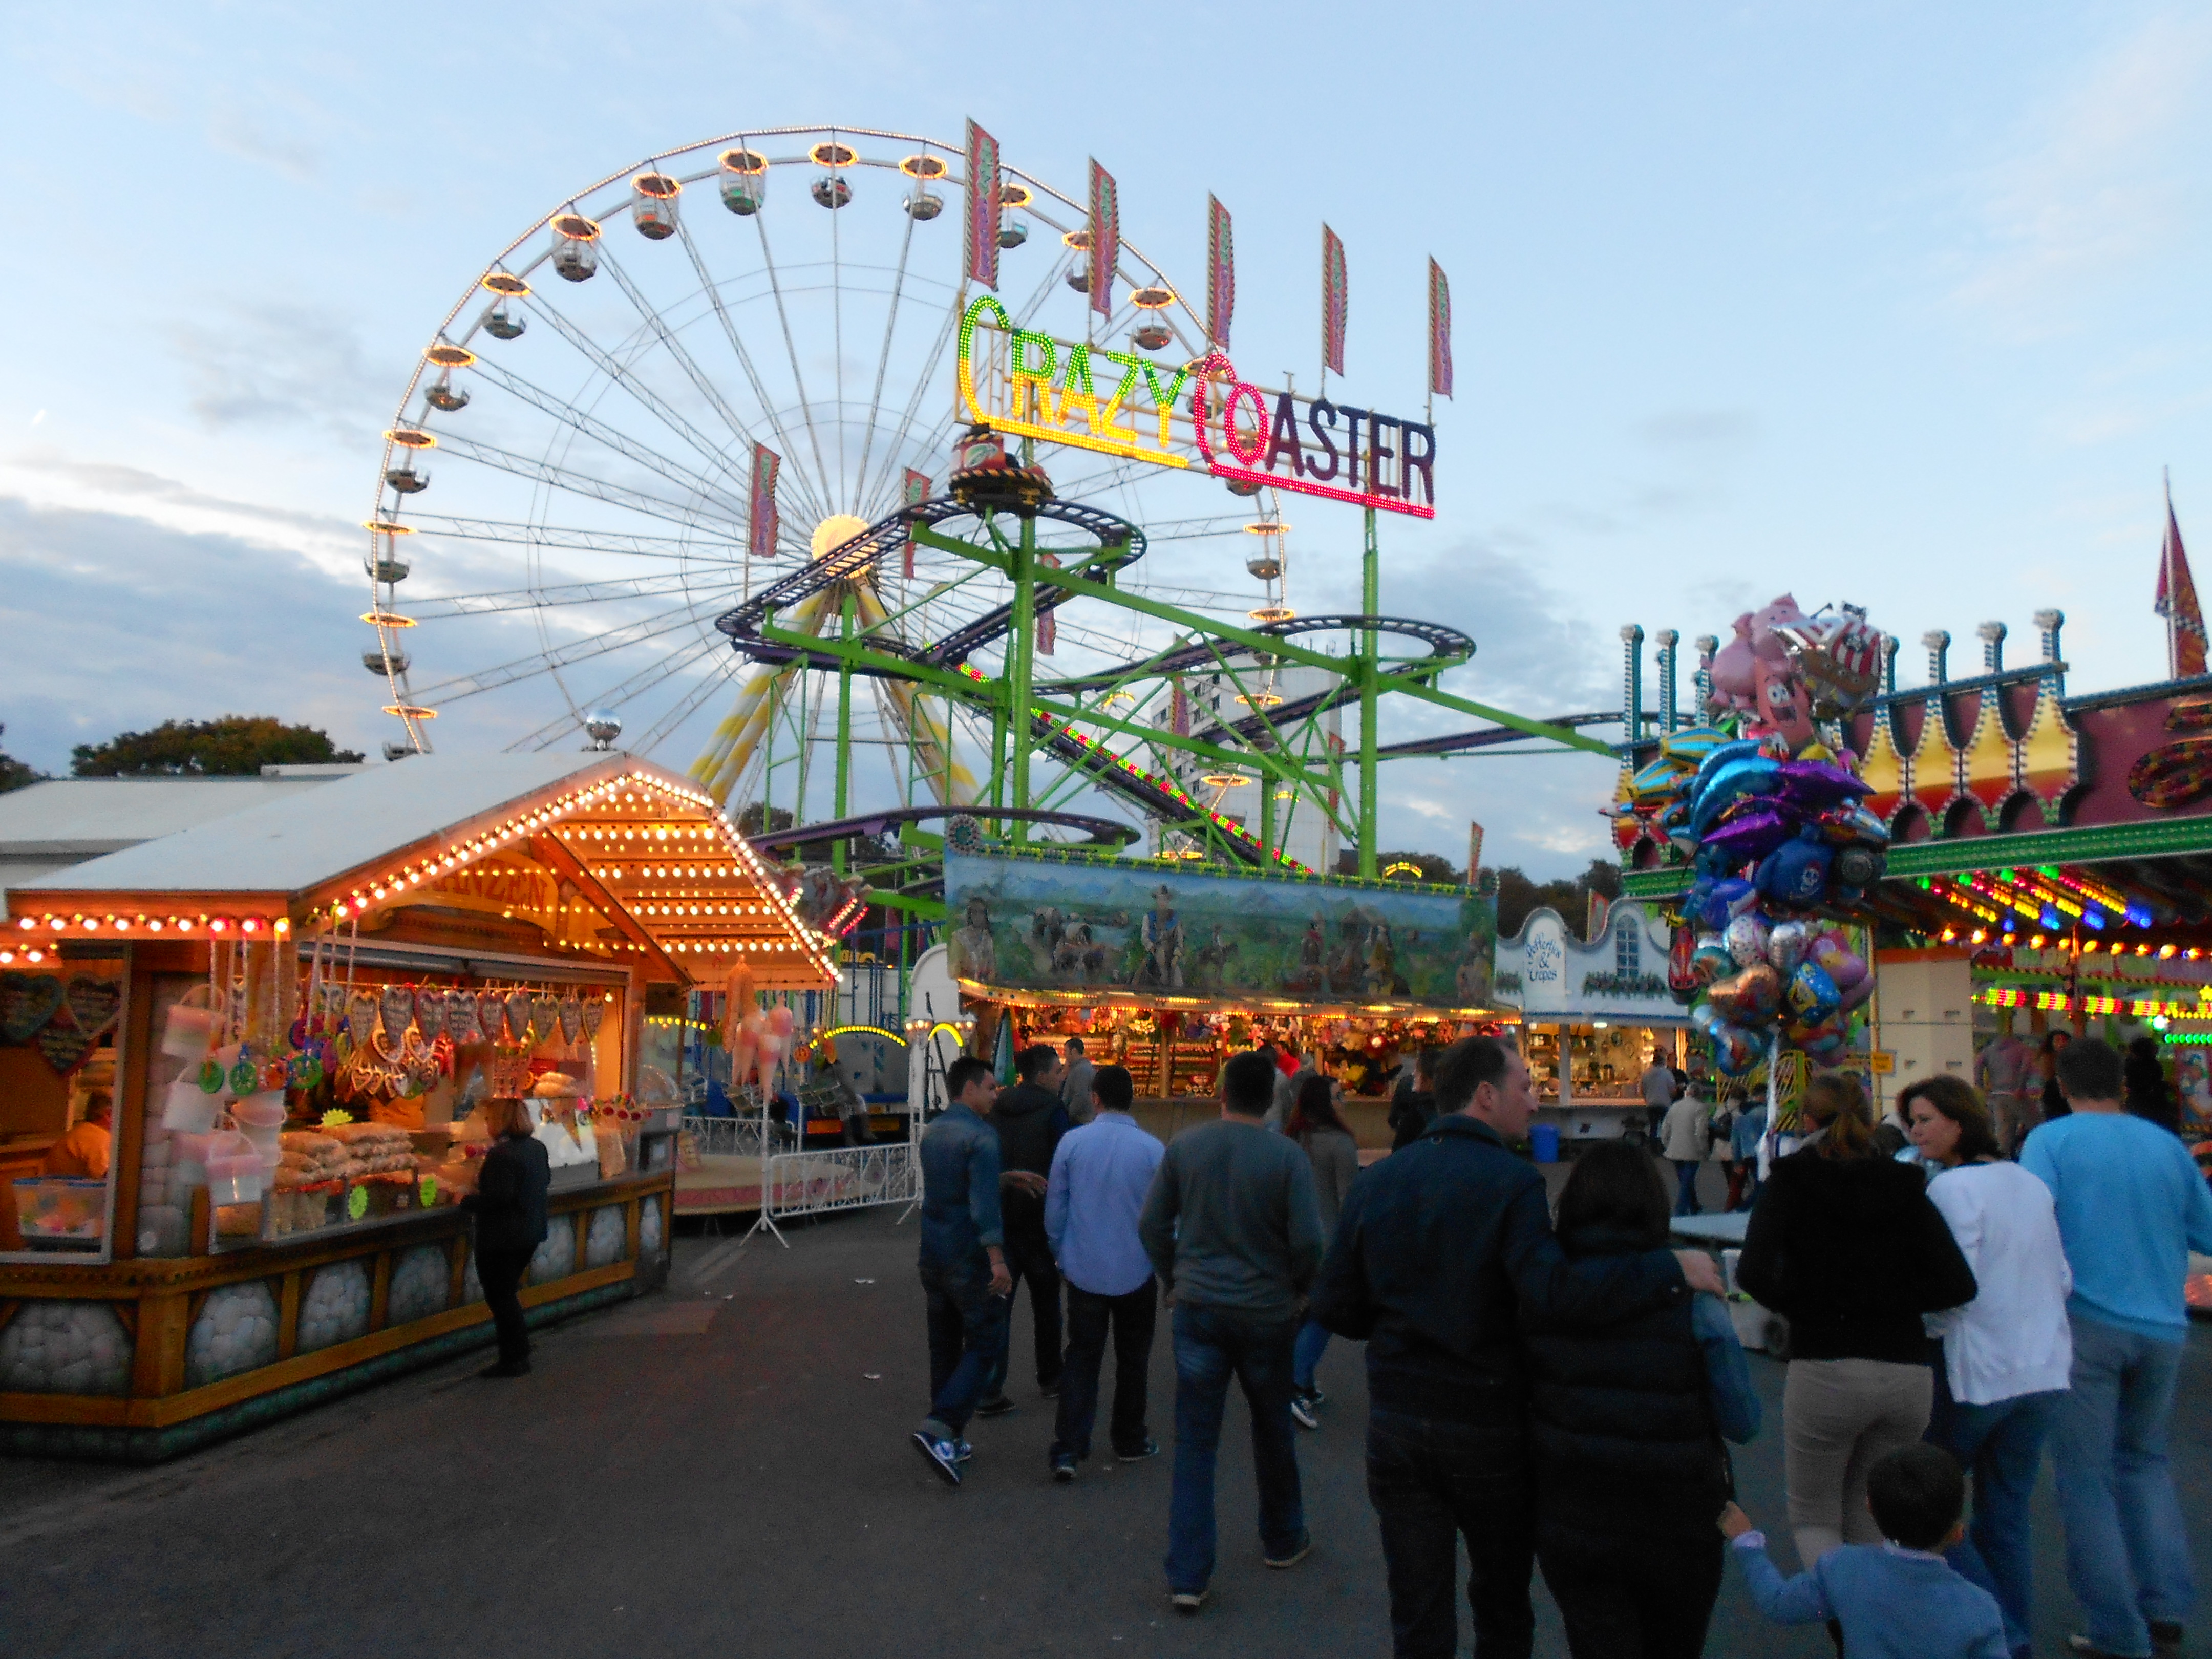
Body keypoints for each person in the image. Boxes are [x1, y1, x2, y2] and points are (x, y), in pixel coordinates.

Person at [1312, 1036, 1725, 1659]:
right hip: (1487, 1419)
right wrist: (1667, 1269)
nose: (1533, 1102)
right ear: (1486, 1095)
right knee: (1501, 1597)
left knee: (1417, 1603)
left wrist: (1401, 1322)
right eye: (1525, 1088)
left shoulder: (1382, 1180)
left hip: (1398, 1416)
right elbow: (1552, 1293)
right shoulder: (1513, 1184)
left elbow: (1336, 1303)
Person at [1525, 1141, 1761, 1659]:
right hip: (1678, 1516)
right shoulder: (1692, 1292)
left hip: (1575, 1510)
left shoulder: (1546, 1290)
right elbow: (1743, 1420)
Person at [1736, 1072, 1977, 1569]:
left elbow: (1753, 1271)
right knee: (1872, 1512)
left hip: (1826, 1362)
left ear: (1807, 1121)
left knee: (1814, 1513)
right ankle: (1872, 1607)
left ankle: (1840, 1608)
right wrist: (1892, 1301)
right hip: (1905, 1369)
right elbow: (1958, 1283)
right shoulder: (1905, 1185)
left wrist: (1805, 1305)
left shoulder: (1792, 1180)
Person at [2022, 1035, 2212, 1659]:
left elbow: (2030, 1226)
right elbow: (2207, 1231)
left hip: (2085, 1323)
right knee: (2145, 1464)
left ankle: (2115, 1628)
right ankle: (2166, 1609)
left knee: (2085, 1478)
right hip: (2164, 1328)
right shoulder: (2167, 1147)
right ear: (2123, 1085)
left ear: (2061, 1087)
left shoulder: (2050, 1142)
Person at [1139, 1049, 1326, 1613]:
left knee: (1196, 1442)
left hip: (1199, 1306)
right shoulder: (1287, 1157)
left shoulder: (1185, 1147)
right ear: (1269, 1101)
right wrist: (1300, 1289)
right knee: (1272, 1428)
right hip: (1266, 1309)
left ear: (1221, 1094)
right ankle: (1283, 1537)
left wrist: (1173, 1277)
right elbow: (1309, 1241)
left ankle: (1188, 1573)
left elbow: (1152, 1224)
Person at [1904, 1075, 2074, 1659]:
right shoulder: (2029, 1182)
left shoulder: (1951, 1190)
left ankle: (2002, 1629)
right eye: (1912, 1121)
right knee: (2006, 1516)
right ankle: (2010, 1635)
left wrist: (1924, 1327)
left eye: (1925, 1119)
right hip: (2044, 1368)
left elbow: (1952, 1284)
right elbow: (2062, 1276)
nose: (1915, 1132)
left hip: (1977, 1370)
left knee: (1927, 1508)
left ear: (1958, 1122)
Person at [1722, 1442, 2008, 1659]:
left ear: (1870, 1507)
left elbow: (1778, 1604)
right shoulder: (1980, 1610)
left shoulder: (1844, 1568)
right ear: (1957, 1533)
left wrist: (1746, 1542)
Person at [1043, 1064, 1164, 1480]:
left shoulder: (1072, 1143)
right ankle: (1129, 1437)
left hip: (1083, 1267)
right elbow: (1165, 1217)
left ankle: (1069, 1447)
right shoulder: (1153, 1150)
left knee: (1081, 1356)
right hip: (1137, 1268)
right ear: (1132, 1098)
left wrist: (1060, 1252)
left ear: (1095, 1098)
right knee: (1133, 1358)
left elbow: (1056, 1209)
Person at [910, 1056, 1012, 1487]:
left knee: (945, 1345)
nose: (995, 1095)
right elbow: (983, 1206)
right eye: (990, 1087)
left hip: (933, 1251)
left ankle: (948, 1437)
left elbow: (954, 1186)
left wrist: (1005, 1177)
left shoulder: (934, 1132)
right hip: (968, 1256)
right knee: (987, 1340)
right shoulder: (983, 1136)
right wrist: (997, 1258)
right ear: (969, 1089)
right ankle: (942, 1426)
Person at [977, 1044, 1071, 1413]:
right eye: (1058, 1070)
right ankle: (1051, 1377)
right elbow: (1063, 1166)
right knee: (1047, 1306)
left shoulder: (996, 1107)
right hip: (1040, 1220)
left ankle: (989, 1387)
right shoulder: (1054, 1111)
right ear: (1042, 1075)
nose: (1062, 1076)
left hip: (1002, 1219)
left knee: (999, 1306)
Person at [1286, 1071, 1360, 1429]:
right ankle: (1297, 1382)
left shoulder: (1292, 1139)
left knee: (1303, 1311)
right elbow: (1349, 1199)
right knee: (1324, 1314)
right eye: (1337, 1096)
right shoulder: (1341, 1144)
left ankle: (1303, 1379)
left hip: (1291, 1237)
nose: (1343, 1101)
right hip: (1328, 1240)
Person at [460, 1097, 551, 1379]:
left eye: (489, 1119)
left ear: (501, 1121)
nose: (487, 1124)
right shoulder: (536, 1148)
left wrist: (464, 1200)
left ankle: (514, 1358)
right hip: (529, 1231)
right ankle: (518, 1351)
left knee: (501, 1297)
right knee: (507, 1294)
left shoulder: (502, 1155)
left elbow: (499, 1198)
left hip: (503, 1236)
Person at [1660, 1083, 1711, 1217]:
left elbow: (1665, 1129)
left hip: (1674, 1150)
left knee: (1685, 1179)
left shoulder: (1675, 1107)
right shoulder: (1700, 1108)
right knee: (1687, 1180)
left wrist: (1667, 1144)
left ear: (1687, 1093)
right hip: (1693, 1150)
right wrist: (1704, 1150)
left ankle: (1694, 1205)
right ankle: (1680, 1209)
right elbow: (1701, 1133)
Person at [42, 1091, 113, 1177]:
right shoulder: (98, 1138)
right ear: (108, 1114)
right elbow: (108, 1177)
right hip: (69, 1185)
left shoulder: (85, 1131)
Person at [2123, 1036, 2180, 1136]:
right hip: (2155, 1104)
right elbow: (2155, 1084)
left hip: (2137, 1104)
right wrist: (2170, 1086)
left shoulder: (2130, 1065)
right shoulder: (2153, 1065)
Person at [1387, 1047, 1438, 1153]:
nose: (1414, 1074)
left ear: (1426, 1080)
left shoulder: (1414, 1114)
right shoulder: (1452, 1108)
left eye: (1417, 1071)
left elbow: (1393, 1120)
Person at [1725, 1089, 1764, 1211]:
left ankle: (1742, 1208)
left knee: (1759, 1183)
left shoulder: (1741, 1117)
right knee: (1762, 1185)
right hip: (1763, 1152)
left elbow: (1735, 1141)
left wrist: (1737, 1162)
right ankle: (1743, 1208)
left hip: (1747, 1154)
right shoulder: (1765, 1112)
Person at [1059, 1036, 1098, 1128]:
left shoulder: (1081, 1070)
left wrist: (1069, 1114)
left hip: (1080, 1120)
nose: (1064, 1054)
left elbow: (1080, 1096)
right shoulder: (1079, 1068)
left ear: (1074, 1051)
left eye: (1066, 1051)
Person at [1640, 1053, 1677, 1144]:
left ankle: (1653, 1147)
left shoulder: (1646, 1073)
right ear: (1663, 1062)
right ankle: (1664, 1146)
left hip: (1651, 1104)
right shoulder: (1667, 1073)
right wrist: (1672, 1099)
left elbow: (1642, 1090)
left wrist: (1647, 1099)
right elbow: (1673, 1090)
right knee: (1665, 1128)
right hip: (1665, 1104)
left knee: (1653, 1128)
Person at [2038, 1029, 2073, 1125]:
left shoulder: (2072, 1057)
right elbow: (2047, 1077)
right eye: (2058, 1040)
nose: (2062, 1044)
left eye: (2064, 1040)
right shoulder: (2047, 1058)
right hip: (2053, 1093)